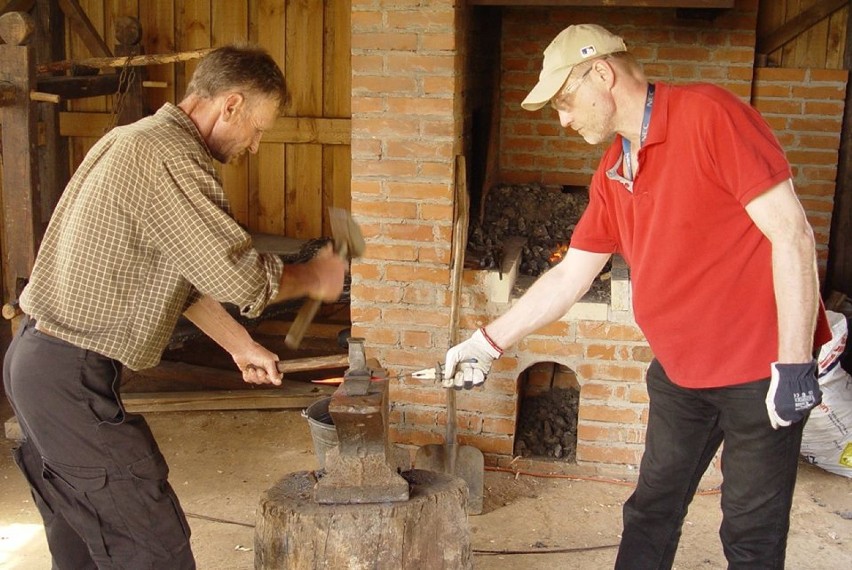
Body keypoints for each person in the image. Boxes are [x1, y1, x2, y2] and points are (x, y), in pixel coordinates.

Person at [444, 24, 832, 569]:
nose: (563, 119)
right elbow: (569, 276)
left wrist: (794, 366)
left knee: (750, 533)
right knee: (650, 510)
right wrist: (486, 342)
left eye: (565, 101)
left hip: (758, 372)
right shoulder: (614, 170)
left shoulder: (709, 116)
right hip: (679, 373)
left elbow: (793, 234)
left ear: (600, 74)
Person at [3, 45, 346, 569]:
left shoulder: (136, 140)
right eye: (258, 128)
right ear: (230, 105)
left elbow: (179, 280)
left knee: (83, 541)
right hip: (66, 375)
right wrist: (313, 277)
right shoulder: (169, 157)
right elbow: (238, 275)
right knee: (152, 543)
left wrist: (240, 345)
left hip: (40, 364)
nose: (255, 146)